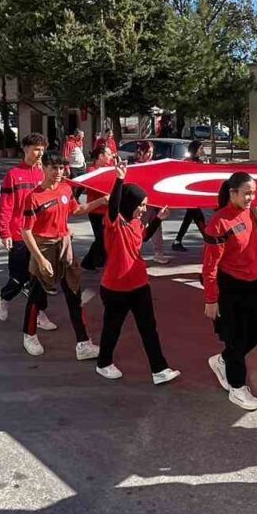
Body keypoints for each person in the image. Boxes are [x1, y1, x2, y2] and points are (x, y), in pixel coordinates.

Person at [95, 159, 180, 384]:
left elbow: (143, 237)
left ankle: (159, 370)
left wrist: (158, 221)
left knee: (148, 328)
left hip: (139, 284)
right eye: (141, 205)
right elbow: (113, 206)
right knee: (112, 328)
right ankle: (103, 363)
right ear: (129, 203)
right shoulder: (115, 223)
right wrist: (120, 179)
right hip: (116, 288)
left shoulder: (135, 223)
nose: (144, 209)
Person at [19, 150, 108, 358]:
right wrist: (40, 259)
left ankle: (83, 344)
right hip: (43, 247)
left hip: (65, 245)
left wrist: (101, 201)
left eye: (61, 168)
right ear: (44, 168)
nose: (58, 172)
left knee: (73, 294)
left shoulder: (66, 189)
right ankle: (29, 335)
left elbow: (77, 210)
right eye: (54, 168)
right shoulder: (34, 197)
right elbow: (26, 231)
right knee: (36, 295)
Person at [202, 172, 257, 411]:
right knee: (236, 340)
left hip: (252, 285)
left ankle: (222, 361)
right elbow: (210, 265)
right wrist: (211, 299)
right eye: (246, 193)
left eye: (253, 192)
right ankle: (237, 387)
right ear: (233, 193)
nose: (251, 197)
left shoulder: (252, 213)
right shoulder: (219, 223)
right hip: (229, 289)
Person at [0, 133, 55, 329]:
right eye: (36, 149)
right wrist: (4, 232)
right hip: (18, 234)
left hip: (39, 235)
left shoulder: (44, 174)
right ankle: (4, 296)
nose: (39, 153)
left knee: (41, 277)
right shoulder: (13, 175)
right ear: (26, 149)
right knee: (19, 278)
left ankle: (40, 313)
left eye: (42, 149)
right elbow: (6, 206)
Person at [134, 141, 172, 264]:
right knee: (138, 231)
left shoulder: (154, 165)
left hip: (154, 203)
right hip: (141, 204)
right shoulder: (135, 166)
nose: (150, 154)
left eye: (151, 152)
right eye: (148, 152)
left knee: (157, 228)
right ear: (141, 152)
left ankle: (158, 253)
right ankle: (135, 255)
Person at [80, 143, 115, 271]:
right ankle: (88, 262)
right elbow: (97, 187)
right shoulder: (92, 171)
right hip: (96, 210)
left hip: (107, 210)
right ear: (101, 156)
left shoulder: (109, 168)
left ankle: (98, 261)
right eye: (109, 154)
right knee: (101, 238)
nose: (111, 156)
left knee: (105, 237)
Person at [171, 140, 209, 252]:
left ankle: (177, 241)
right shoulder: (187, 162)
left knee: (190, 218)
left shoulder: (200, 162)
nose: (202, 150)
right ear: (195, 150)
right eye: (200, 148)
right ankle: (208, 240)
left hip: (196, 196)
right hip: (189, 196)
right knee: (198, 217)